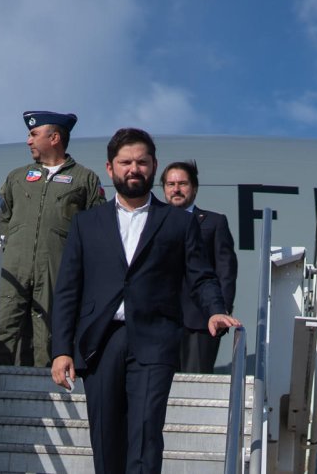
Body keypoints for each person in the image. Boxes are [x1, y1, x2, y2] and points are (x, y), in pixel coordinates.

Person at [50, 128, 241, 474]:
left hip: (154, 339)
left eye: (141, 162)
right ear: (110, 168)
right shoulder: (86, 224)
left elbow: (201, 276)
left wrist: (215, 310)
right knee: (106, 435)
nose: (134, 169)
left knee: (146, 432)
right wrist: (61, 349)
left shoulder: (178, 223)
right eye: (126, 162)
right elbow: (67, 290)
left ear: (153, 167)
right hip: (100, 340)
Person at [0, 110, 105, 367]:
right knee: (5, 324)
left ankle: (45, 386)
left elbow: (98, 228)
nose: (28, 141)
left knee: (50, 330)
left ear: (54, 137)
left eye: (34, 134)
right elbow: (1, 219)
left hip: (58, 268)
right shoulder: (17, 177)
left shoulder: (84, 179)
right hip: (14, 265)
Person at [162, 160, 237, 373]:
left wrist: (221, 310)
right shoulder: (152, 222)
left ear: (194, 188)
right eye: (170, 184)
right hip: (159, 321)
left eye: (182, 184)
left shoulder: (214, 222)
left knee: (193, 388)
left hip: (199, 321)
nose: (176, 189)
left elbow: (226, 270)